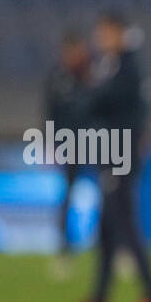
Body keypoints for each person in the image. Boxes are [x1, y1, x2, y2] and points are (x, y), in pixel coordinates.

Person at [74, 11, 151, 302]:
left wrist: (88, 90)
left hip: (119, 157)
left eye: (105, 32)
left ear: (117, 32)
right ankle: (99, 299)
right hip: (114, 155)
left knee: (125, 226)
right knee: (108, 229)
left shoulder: (125, 68)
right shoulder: (119, 66)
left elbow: (98, 102)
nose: (100, 38)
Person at [44, 30, 92, 267]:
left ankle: (117, 248)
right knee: (68, 194)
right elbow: (50, 111)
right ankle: (64, 246)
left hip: (100, 141)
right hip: (69, 142)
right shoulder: (57, 76)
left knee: (114, 197)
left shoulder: (95, 73)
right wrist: (51, 140)